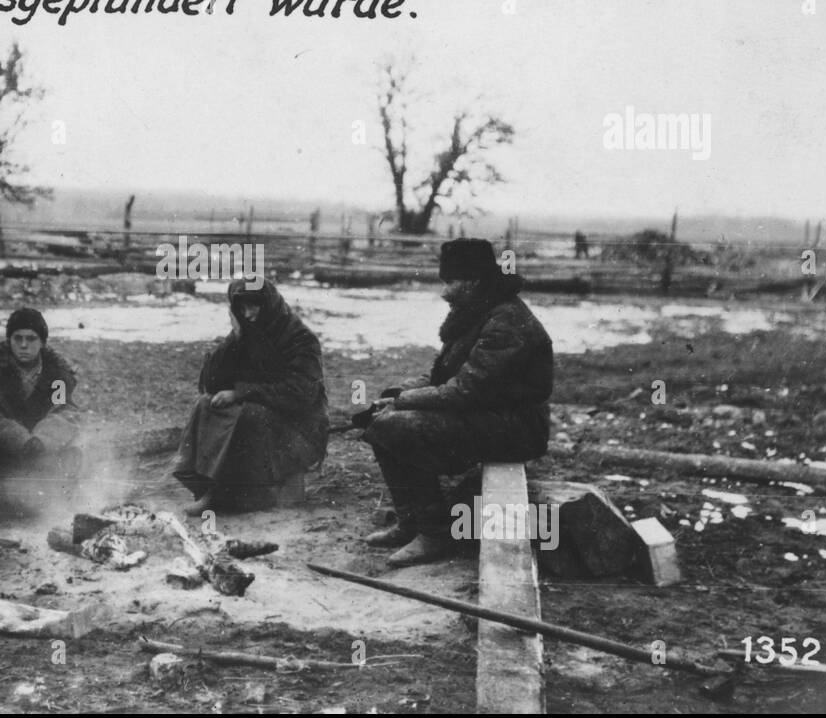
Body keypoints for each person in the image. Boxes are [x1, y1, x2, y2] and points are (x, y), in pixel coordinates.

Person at [362, 238, 553, 567]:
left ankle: (436, 534)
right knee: (381, 424)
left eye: (450, 282)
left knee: (399, 426)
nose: (444, 292)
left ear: (474, 281)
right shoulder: (478, 312)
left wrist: (405, 402)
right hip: (490, 416)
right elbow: (442, 377)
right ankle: (412, 522)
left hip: (516, 427)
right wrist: (394, 395)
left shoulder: (505, 323)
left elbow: (465, 390)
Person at [171, 278, 328, 515]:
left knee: (247, 414)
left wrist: (241, 392)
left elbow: (301, 394)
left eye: (255, 306)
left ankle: (245, 495)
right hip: (266, 412)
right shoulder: (246, 332)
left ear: (269, 304)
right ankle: (210, 490)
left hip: (299, 428)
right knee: (206, 405)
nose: (249, 314)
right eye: (241, 309)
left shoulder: (300, 338)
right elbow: (209, 385)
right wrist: (233, 339)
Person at [0, 308, 81, 508]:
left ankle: (53, 502)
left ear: (43, 343)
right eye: (17, 338)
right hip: (2, 445)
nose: (24, 345)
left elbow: (61, 409)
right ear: (9, 340)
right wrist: (17, 437)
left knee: (75, 445)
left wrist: (43, 439)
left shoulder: (55, 375)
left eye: (31, 338)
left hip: (40, 450)